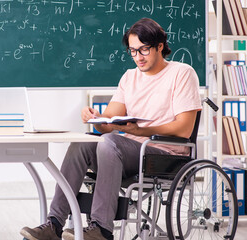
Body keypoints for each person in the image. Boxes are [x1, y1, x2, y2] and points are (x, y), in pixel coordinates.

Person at [20, 18, 202, 240]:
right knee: (84, 143)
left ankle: (102, 229)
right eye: (133, 51)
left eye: (143, 50)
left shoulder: (182, 73)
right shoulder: (129, 77)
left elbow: (184, 129)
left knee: (110, 142)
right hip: (126, 152)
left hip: (164, 155)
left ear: (160, 46)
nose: (138, 57)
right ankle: (54, 224)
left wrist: (139, 132)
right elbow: (108, 122)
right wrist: (95, 118)